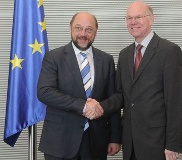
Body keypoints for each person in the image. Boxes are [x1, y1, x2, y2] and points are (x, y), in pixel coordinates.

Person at [87, 1, 182, 160]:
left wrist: (173, 144)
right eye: (129, 18)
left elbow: (175, 101)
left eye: (138, 17)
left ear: (151, 19)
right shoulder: (125, 54)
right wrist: (100, 106)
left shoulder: (169, 51)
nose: (133, 22)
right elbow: (120, 96)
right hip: (130, 141)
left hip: (157, 142)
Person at [37, 12, 122, 160]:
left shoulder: (106, 60)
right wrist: (83, 106)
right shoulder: (53, 57)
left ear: (96, 31)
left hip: (96, 141)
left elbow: (114, 98)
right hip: (60, 141)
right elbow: (45, 91)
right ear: (70, 28)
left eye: (89, 29)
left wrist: (115, 137)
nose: (83, 34)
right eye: (78, 28)